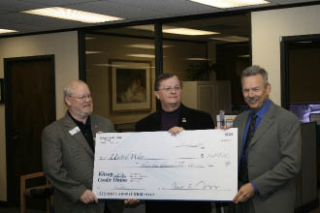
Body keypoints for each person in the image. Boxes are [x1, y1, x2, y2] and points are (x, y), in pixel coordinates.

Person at [135, 73, 214, 213]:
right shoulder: (143, 125)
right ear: (157, 94)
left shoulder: (202, 119)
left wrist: (187, 139)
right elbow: (138, 163)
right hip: (159, 201)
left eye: (177, 87)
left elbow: (211, 157)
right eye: (168, 88)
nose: (173, 91)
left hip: (194, 201)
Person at [42, 80, 124, 213]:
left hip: (110, 204)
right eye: (82, 97)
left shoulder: (105, 124)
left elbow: (121, 157)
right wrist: (78, 191)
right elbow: (53, 170)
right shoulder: (53, 132)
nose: (88, 100)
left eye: (89, 96)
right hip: (77, 205)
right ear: (68, 101)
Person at [232, 65, 301, 213]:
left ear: (267, 89)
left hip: (272, 203)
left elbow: (291, 164)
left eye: (256, 89)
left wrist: (255, 186)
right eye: (246, 90)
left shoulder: (287, 120)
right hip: (241, 202)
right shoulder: (239, 120)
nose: (250, 95)